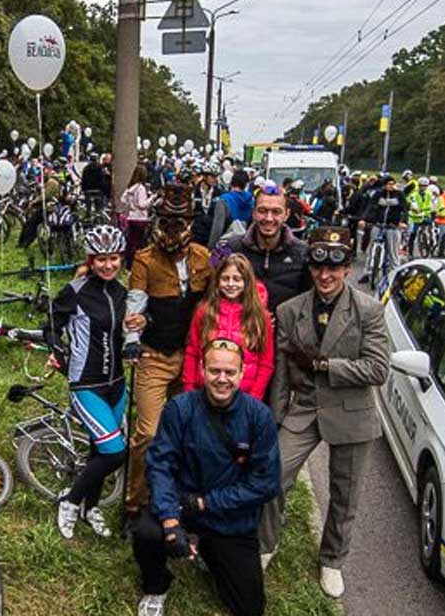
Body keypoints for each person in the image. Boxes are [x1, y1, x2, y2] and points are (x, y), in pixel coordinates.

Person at [259, 226, 390, 598]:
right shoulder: (290, 310)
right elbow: (283, 372)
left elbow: (378, 369)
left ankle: (332, 559)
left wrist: (325, 365)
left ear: (347, 268)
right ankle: (266, 544)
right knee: (273, 477)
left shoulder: (368, 310)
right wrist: (276, 415)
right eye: (318, 269)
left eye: (335, 268)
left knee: (345, 494)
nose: (326, 276)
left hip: (351, 412)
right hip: (302, 408)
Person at [132, 339, 281, 616]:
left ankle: (207, 551)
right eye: (214, 371)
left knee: (250, 607)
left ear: (242, 372)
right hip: (182, 505)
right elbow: (160, 464)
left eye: (229, 372)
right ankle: (156, 586)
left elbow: (266, 483)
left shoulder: (259, 417)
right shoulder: (180, 408)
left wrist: (206, 502)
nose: (221, 379)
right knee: (146, 532)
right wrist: (170, 521)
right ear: (202, 369)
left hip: (229, 517)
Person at [123, 183, 212, 515]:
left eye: (179, 223)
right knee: (147, 433)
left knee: (186, 433)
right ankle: (136, 502)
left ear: (190, 223)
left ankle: (174, 499)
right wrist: (132, 342)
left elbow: (217, 303)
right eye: (166, 221)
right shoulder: (145, 260)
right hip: (155, 356)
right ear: (156, 221)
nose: (172, 230)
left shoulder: (204, 258)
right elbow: (134, 305)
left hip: (191, 358)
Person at [46, 225, 139, 540]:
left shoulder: (122, 292)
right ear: (91, 259)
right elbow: (50, 326)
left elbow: (131, 330)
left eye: (113, 258)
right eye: (101, 259)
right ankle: (70, 501)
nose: (108, 265)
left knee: (100, 450)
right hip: (85, 384)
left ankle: (91, 507)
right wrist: (57, 351)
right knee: (116, 452)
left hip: (117, 383)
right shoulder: (75, 291)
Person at [182, 254, 275, 400]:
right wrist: (189, 390)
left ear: (247, 282)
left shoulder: (260, 317)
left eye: (237, 279)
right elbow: (192, 353)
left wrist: (254, 397)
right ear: (217, 281)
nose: (231, 284)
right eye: (225, 279)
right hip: (205, 393)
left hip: (244, 395)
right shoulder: (204, 311)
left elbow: (266, 363)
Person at [215, 185, 311, 316]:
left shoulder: (303, 253)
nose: (269, 218)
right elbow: (209, 281)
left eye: (276, 212)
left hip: (285, 332)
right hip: (237, 329)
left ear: (286, 215)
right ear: (253, 212)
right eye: (262, 211)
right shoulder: (228, 247)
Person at [120, 162, 151, 271]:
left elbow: (122, 199)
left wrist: (130, 205)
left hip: (131, 217)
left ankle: (128, 263)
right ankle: (137, 264)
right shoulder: (141, 188)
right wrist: (152, 199)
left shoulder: (130, 188)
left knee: (131, 242)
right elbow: (142, 205)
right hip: (140, 218)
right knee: (140, 243)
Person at [405, 175, 436, 256]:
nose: (423, 187)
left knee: (433, 230)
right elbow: (413, 204)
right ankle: (410, 252)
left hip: (425, 215)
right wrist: (415, 210)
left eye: (425, 186)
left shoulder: (429, 194)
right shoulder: (413, 195)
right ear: (419, 186)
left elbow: (433, 204)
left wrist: (433, 211)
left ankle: (431, 243)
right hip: (414, 217)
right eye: (421, 186)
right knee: (412, 234)